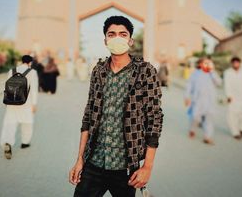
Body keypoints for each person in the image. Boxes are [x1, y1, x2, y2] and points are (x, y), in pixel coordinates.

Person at [69, 15, 164, 197]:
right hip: (94, 162)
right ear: (105, 40)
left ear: (130, 40)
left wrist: (147, 166)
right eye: (111, 34)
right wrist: (80, 160)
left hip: (126, 167)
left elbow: (155, 118)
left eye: (122, 34)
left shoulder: (145, 71)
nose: (117, 38)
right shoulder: (99, 71)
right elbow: (88, 116)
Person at [0, 55, 38, 159]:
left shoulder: (12, 70)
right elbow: (34, 89)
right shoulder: (32, 72)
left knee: (10, 123)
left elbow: (6, 87)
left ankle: (7, 142)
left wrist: (7, 101)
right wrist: (34, 104)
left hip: (12, 101)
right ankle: (25, 142)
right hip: (26, 102)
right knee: (27, 123)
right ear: (30, 62)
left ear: (22, 61)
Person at [185, 57, 222, 145]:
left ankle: (207, 137)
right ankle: (192, 129)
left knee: (209, 119)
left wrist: (212, 71)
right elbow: (189, 86)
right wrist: (187, 97)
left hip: (210, 101)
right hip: (197, 101)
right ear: (200, 64)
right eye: (205, 63)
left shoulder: (212, 73)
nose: (207, 64)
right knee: (195, 117)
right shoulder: (195, 74)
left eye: (208, 62)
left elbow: (219, 83)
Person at [224, 57, 242, 140]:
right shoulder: (228, 72)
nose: (235, 64)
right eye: (234, 63)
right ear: (232, 64)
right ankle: (235, 133)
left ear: (240, 63)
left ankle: (241, 129)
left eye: (237, 62)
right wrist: (228, 95)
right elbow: (227, 84)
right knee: (232, 115)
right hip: (233, 97)